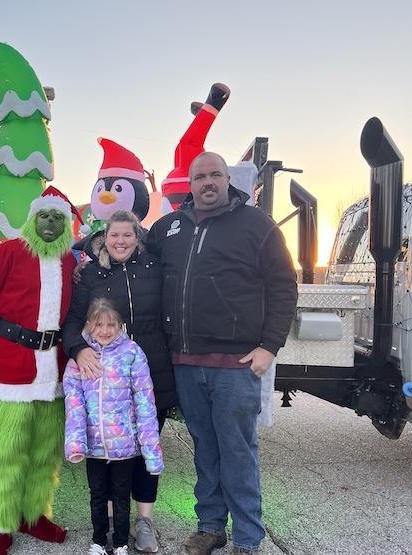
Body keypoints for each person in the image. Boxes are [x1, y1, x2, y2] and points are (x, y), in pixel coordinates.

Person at [146, 152, 298, 555]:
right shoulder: (169, 227)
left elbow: (284, 286)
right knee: (205, 449)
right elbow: (131, 254)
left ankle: (248, 539)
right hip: (185, 362)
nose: (207, 182)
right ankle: (210, 527)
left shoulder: (256, 226)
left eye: (215, 174)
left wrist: (269, 347)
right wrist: (85, 260)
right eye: (200, 176)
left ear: (228, 179)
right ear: (190, 183)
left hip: (236, 365)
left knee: (237, 450)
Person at [0, 186, 77, 555]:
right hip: (9, 371)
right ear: (31, 219)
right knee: (3, 453)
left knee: (45, 454)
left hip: (52, 376)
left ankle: (33, 515)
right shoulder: (8, 253)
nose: (49, 223)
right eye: (43, 216)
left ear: (67, 225)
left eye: (57, 218)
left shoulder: (71, 262)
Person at [63, 209, 177, 553]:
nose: (121, 241)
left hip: (149, 370)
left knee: (144, 449)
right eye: (115, 235)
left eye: (128, 235)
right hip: (106, 379)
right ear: (104, 238)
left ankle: (144, 522)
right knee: (108, 455)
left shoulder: (154, 268)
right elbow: (72, 321)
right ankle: (113, 526)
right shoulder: (92, 275)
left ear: (137, 238)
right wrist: (79, 349)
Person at [64, 298, 164, 555]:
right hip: (95, 448)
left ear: (121, 325)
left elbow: (145, 402)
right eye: (99, 324)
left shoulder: (132, 353)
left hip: (125, 448)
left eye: (112, 324)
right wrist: (76, 444)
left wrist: (151, 451)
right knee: (98, 495)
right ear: (89, 325)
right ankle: (98, 541)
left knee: (121, 497)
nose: (105, 330)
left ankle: (120, 543)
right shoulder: (80, 357)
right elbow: (74, 405)